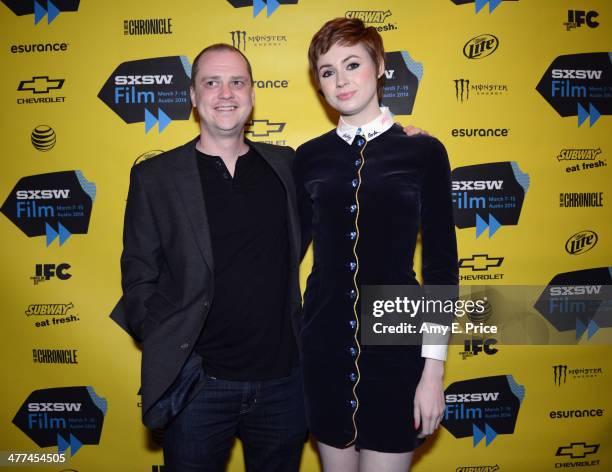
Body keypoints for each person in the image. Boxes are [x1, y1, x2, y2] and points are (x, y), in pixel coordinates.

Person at [110, 43, 307, 472]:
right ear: (194, 98)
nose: (225, 93)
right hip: (199, 385)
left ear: (253, 95)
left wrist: (398, 140)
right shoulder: (155, 178)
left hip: (284, 384)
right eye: (211, 82)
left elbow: (348, 176)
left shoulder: (287, 166)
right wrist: (167, 340)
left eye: (237, 82)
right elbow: (139, 272)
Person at [294, 18, 458, 471]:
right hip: (323, 349)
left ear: (380, 66)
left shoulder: (424, 152)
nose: (341, 80)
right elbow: (284, 249)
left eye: (352, 64)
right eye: (327, 71)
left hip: (396, 350)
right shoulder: (307, 157)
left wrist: (432, 372)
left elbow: (442, 270)